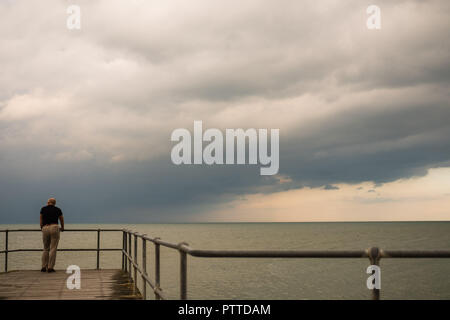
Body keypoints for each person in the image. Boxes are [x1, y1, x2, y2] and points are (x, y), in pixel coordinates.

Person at [40, 198, 64, 272]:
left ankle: (44, 266)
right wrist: (62, 227)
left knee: (46, 248)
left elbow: (41, 219)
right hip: (54, 227)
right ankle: (50, 267)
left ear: (48, 202)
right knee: (53, 248)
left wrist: (42, 227)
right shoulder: (58, 209)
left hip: (45, 227)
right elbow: (61, 219)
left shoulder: (43, 209)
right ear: (54, 203)